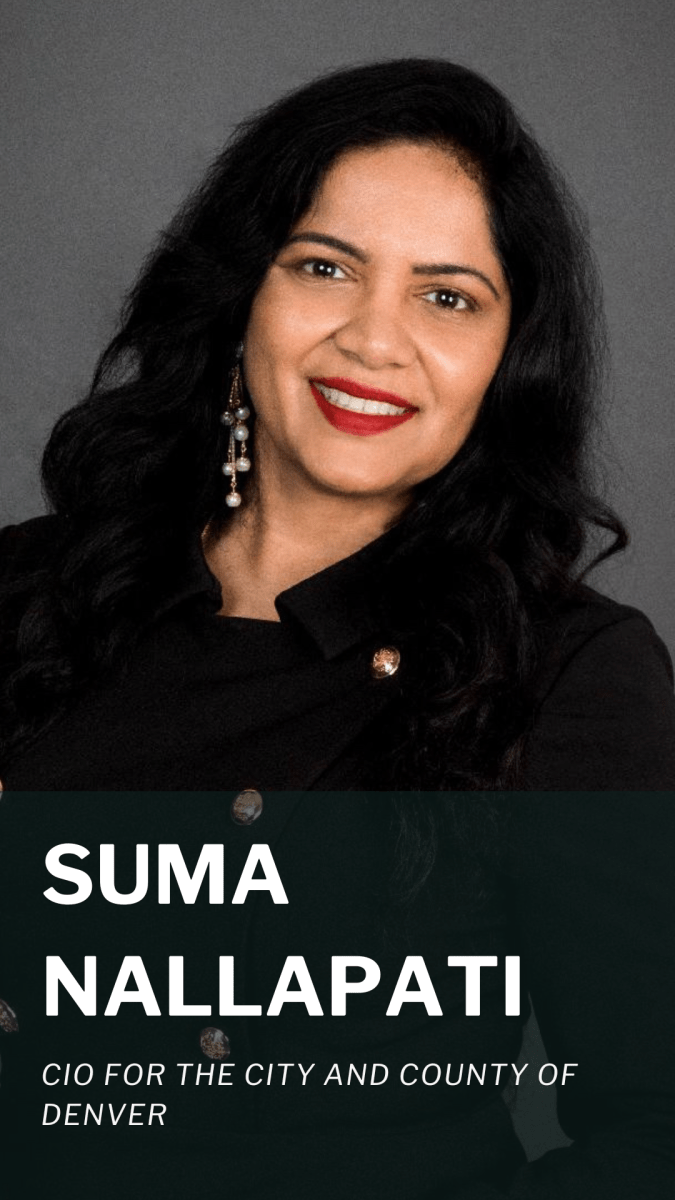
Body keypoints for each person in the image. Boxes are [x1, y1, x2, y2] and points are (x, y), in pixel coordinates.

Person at [0, 58, 674, 1199]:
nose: (375, 338)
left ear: (506, 362)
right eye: (325, 267)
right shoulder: (25, 591)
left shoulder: (565, 675)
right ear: (238, 300)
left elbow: (655, 1128)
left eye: (448, 296)